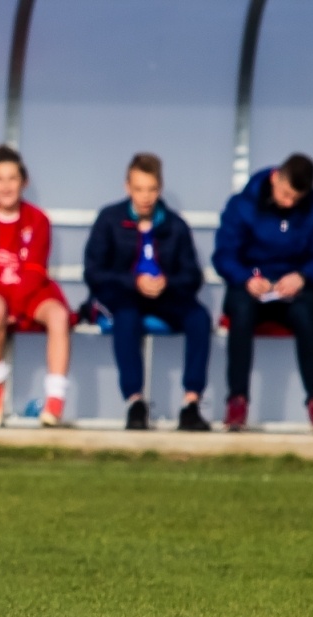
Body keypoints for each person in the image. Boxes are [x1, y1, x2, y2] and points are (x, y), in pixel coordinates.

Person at [212, 153, 313, 433]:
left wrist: (303, 276)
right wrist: (246, 278)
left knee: (306, 314)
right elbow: (223, 255)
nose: (289, 203)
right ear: (275, 178)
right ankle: (237, 402)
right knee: (241, 312)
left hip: (295, 291)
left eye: (296, 198)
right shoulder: (241, 205)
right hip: (250, 288)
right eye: (285, 194)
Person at [84, 153, 212, 431]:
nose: (145, 197)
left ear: (160, 188)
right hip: (124, 296)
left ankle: (191, 403)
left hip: (167, 298)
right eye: (139, 189)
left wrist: (167, 281)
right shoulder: (109, 220)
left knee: (199, 318)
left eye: (152, 189)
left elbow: (192, 275)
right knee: (126, 317)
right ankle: (135, 403)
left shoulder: (175, 225)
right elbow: (94, 272)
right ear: (127, 187)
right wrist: (134, 281)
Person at [0, 145, 72, 429]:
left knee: (59, 315)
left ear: (24, 181)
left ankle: (55, 400)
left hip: (30, 295)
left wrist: (16, 311)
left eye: (12, 178)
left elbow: (34, 272)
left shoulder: (38, 220)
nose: (6, 186)